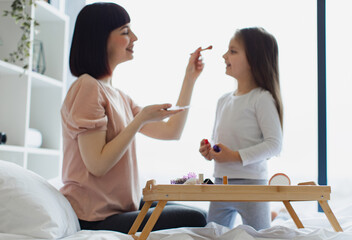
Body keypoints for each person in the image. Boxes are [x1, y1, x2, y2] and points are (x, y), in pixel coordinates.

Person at [60, 2, 207, 233]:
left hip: (120, 208)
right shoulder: (87, 87)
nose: (135, 38)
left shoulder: (120, 96)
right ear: (101, 39)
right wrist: (140, 120)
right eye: (126, 32)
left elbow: (172, 132)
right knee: (198, 218)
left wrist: (190, 79)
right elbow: (97, 165)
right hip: (94, 217)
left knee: (201, 214)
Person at [199, 27, 283, 230]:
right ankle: (274, 215)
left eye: (233, 51)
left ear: (254, 59)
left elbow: (274, 145)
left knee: (260, 235)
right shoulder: (222, 101)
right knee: (213, 235)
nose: (224, 56)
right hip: (221, 185)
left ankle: (277, 216)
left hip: (252, 187)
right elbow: (218, 143)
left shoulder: (262, 98)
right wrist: (209, 151)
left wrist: (235, 156)